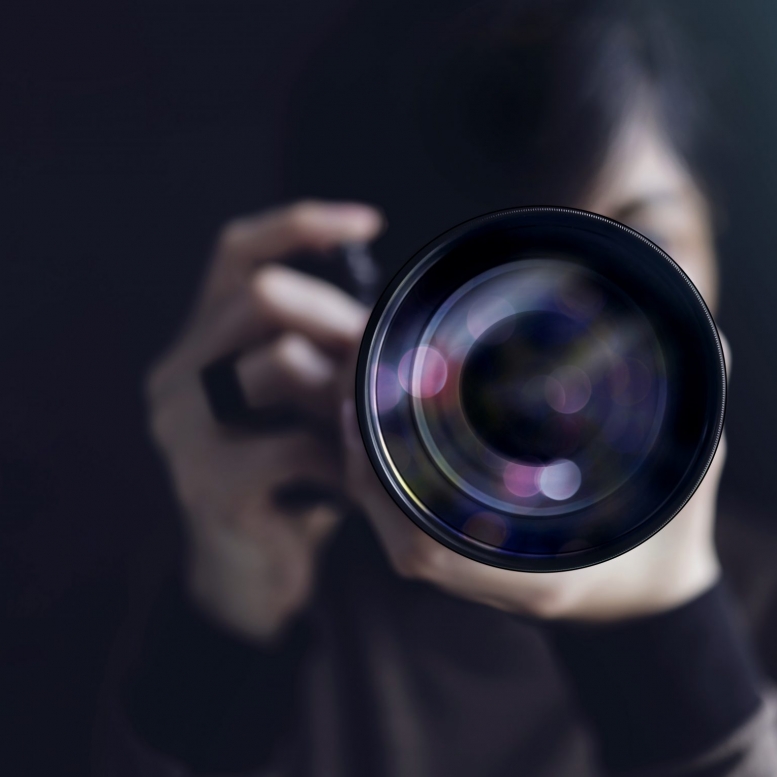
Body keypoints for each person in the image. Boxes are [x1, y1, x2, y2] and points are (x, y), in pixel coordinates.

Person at [96, 1, 777, 775]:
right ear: (367, 298)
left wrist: (670, 634)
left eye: (639, 242)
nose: (574, 332)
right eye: (503, 278)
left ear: (712, 231)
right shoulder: (235, 587)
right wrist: (227, 612)